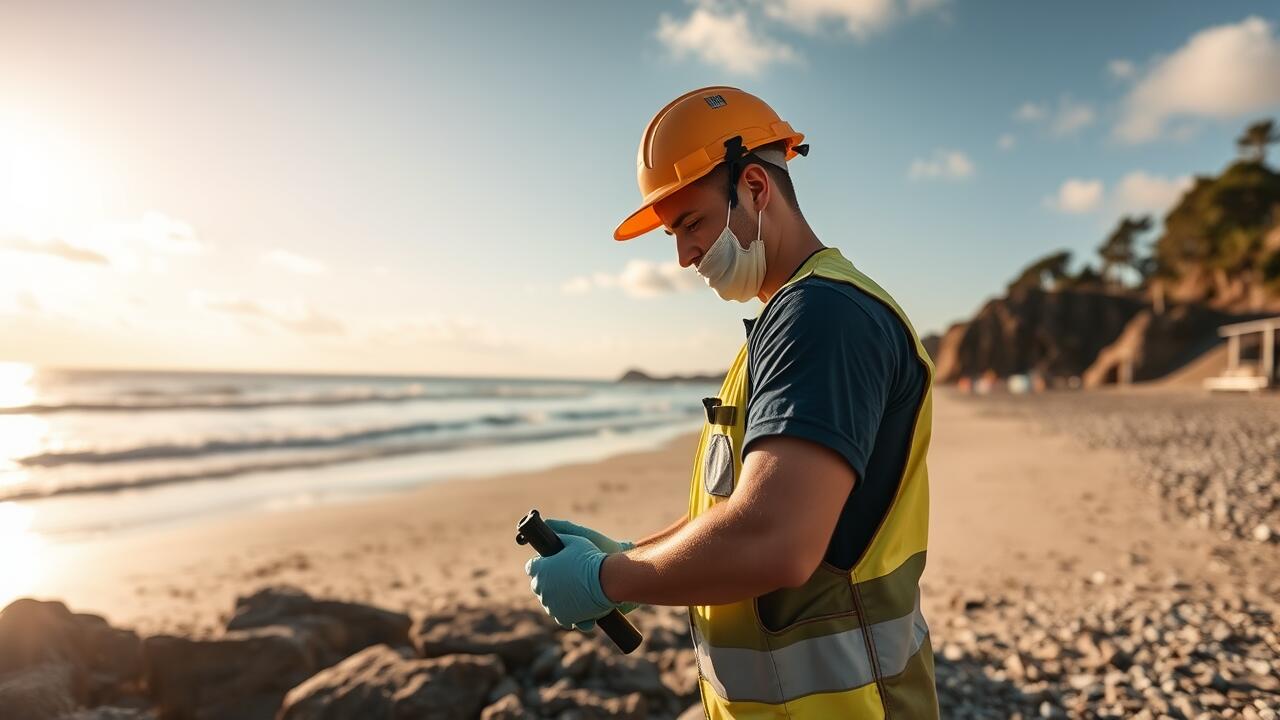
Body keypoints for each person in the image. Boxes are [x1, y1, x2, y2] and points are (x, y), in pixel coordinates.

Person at [524, 86, 940, 718]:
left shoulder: (823, 316)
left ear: (754, 187)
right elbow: (744, 509)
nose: (684, 255)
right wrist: (633, 553)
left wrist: (606, 580)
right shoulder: (788, 319)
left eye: (690, 223)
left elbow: (776, 539)